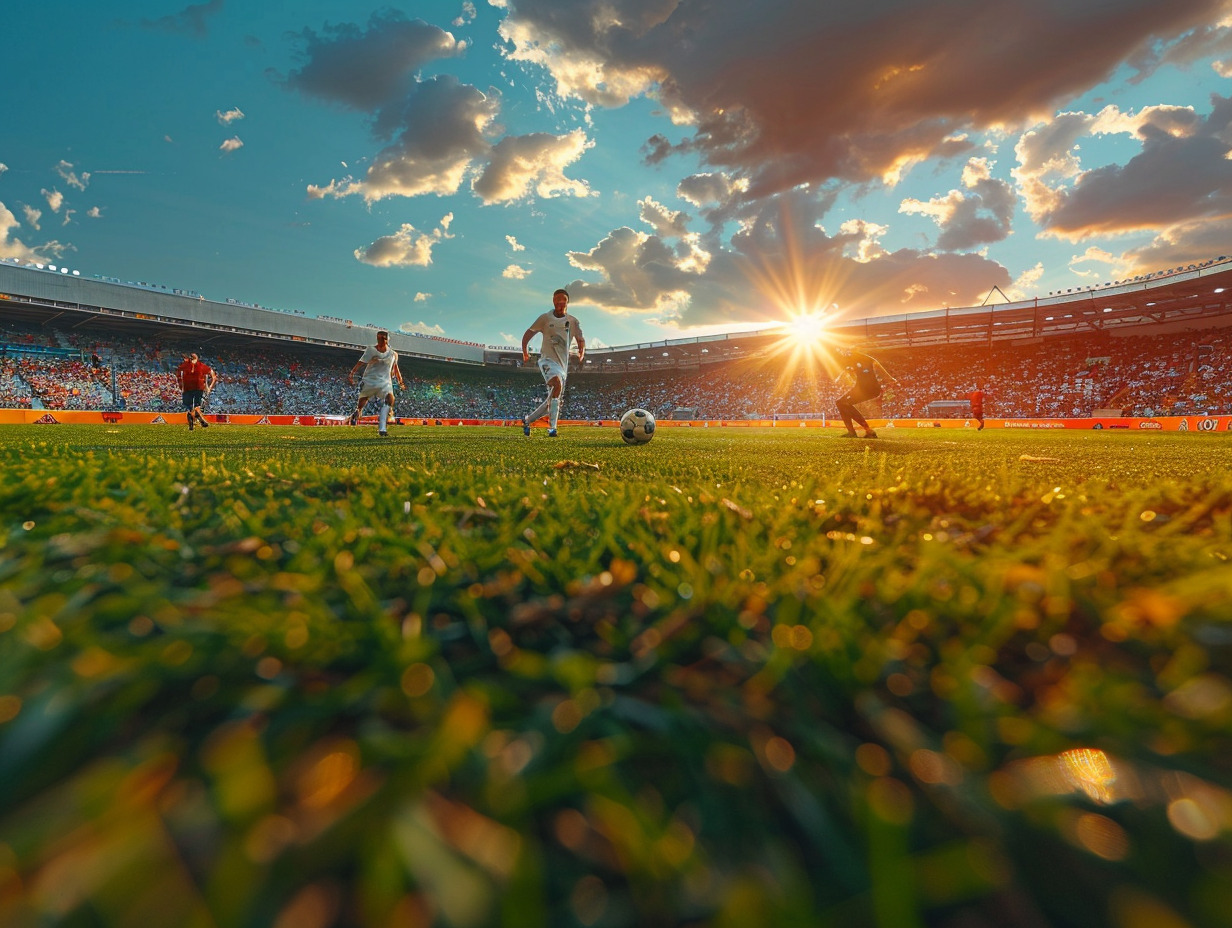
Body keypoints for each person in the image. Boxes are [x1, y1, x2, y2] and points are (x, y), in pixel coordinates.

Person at [521, 288, 585, 436]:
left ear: (567, 302)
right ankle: (553, 428)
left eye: (563, 300)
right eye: (557, 299)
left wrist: (581, 352)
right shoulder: (545, 318)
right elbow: (528, 333)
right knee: (556, 383)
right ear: (553, 301)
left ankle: (527, 420)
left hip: (563, 367)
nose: (560, 302)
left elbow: (580, 339)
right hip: (546, 361)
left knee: (551, 403)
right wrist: (525, 351)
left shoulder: (573, 321)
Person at [348, 330, 404, 437]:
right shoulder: (371, 350)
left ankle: (382, 428)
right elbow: (361, 362)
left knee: (390, 399)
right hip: (371, 379)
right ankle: (358, 411)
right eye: (378, 338)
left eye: (382, 338)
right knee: (364, 399)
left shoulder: (393, 354)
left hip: (385, 381)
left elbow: (395, 368)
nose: (380, 340)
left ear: (387, 339)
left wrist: (400, 381)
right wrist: (352, 373)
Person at [834, 347, 897, 438]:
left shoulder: (860, 358)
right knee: (842, 403)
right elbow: (877, 365)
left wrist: (890, 378)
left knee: (841, 403)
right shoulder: (862, 359)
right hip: (867, 389)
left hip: (866, 389)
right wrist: (890, 378)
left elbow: (877, 365)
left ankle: (861, 431)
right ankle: (858, 431)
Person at [176, 352, 217, 431]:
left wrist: (181, 386)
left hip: (187, 388)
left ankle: (193, 421)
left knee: (190, 407)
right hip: (198, 387)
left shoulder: (184, 365)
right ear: (197, 358)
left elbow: (178, 375)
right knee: (197, 406)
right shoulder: (201, 366)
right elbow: (214, 377)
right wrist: (209, 387)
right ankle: (200, 418)